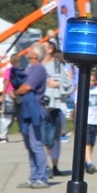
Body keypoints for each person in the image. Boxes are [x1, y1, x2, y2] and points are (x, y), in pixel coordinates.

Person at [12, 44, 50, 188]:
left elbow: (27, 87)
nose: (27, 50)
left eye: (31, 50)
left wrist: (16, 92)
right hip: (26, 110)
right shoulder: (30, 68)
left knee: (36, 145)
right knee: (30, 146)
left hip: (35, 110)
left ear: (35, 55)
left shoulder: (38, 68)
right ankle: (33, 177)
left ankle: (42, 178)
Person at [42, 40, 72, 176]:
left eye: (44, 47)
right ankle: (44, 166)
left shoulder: (59, 68)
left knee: (54, 138)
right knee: (42, 139)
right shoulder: (37, 66)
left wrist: (57, 85)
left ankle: (54, 166)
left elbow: (69, 86)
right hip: (41, 106)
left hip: (55, 107)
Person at [83, 74, 97, 174]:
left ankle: (86, 161)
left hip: (95, 120)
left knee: (91, 143)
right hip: (86, 120)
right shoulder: (82, 89)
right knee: (87, 142)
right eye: (90, 80)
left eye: (93, 80)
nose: (91, 82)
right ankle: (90, 163)